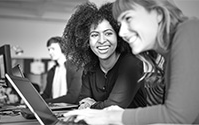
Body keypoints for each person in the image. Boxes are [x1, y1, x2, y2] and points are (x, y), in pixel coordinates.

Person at [63, 0, 199, 124]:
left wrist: (111, 116)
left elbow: (178, 116)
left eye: (128, 18)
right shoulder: (170, 55)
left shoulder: (189, 30)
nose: (122, 32)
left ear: (158, 13)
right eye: (120, 24)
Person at [63, 2, 147, 109]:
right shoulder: (89, 68)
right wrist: (85, 104)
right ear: (86, 40)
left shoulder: (132, 64)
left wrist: (91, 106)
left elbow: (114, 107)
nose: (102, 41)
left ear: (118, 36)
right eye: (94, 35)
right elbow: (83, 99)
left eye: (108, 33)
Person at [41, 36, 83, 104]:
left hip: (70, 110)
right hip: (53, 109)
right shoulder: (51, 71)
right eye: (48, 49)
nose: (50, 52)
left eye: (53, 49)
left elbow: (72, 97)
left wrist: (47, 102)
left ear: (62, 48)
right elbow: (46, 94)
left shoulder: (76, 68)